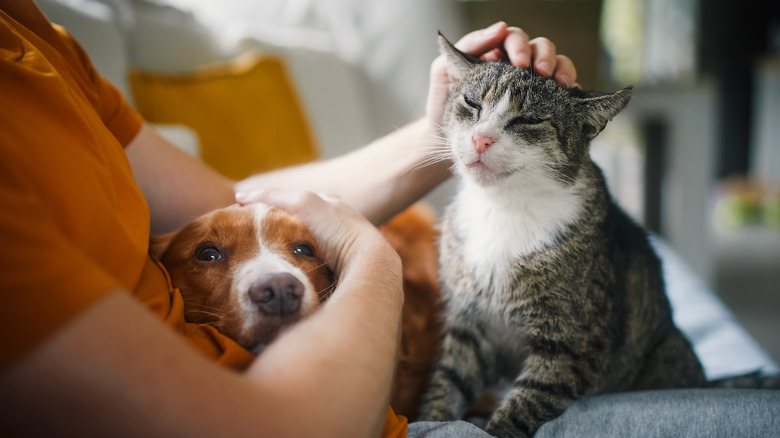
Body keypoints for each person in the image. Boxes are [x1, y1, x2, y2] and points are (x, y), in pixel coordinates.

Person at [0, 1, 578, 437]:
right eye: (207, 255)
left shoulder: (41, 40)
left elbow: (238, 203)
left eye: (304, 254)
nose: (281, 281)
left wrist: (438, 137)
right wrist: (369, 257)